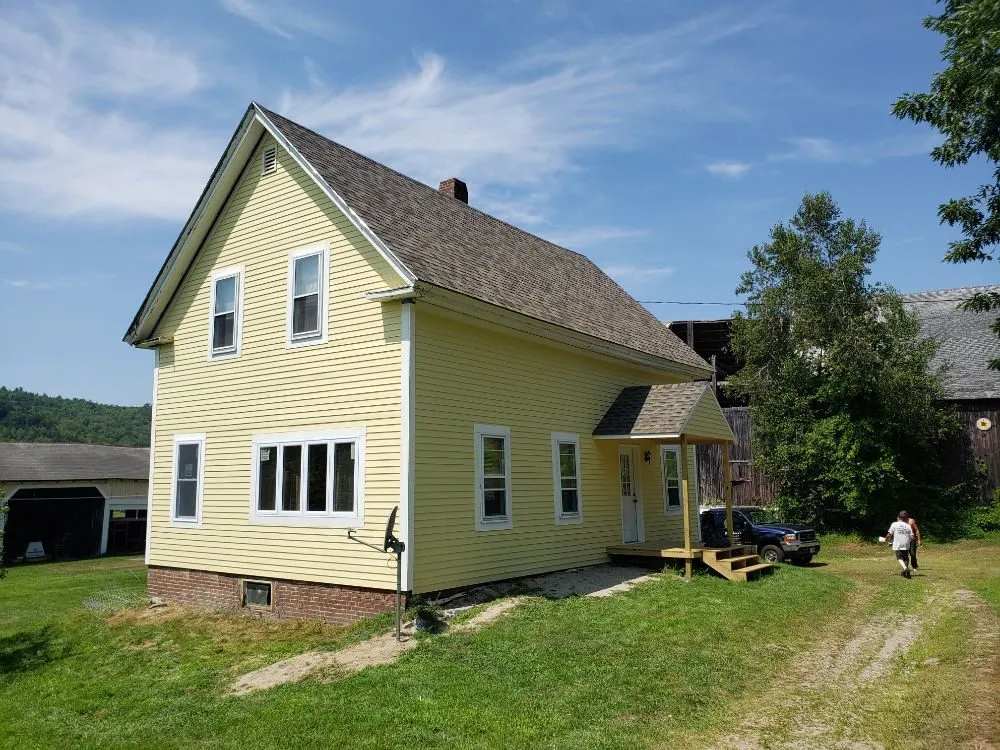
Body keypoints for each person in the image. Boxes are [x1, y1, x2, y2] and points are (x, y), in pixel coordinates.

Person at [886, 511, 914, 578]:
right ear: (905, 519)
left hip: (898, 543)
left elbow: (890, 534)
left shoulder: (894, 524)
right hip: (906, 544)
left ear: (898, 517)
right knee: (906, 558)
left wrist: (886, 539)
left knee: (899, 558)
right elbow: (912, 537)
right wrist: (908, 541)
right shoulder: (908, 526)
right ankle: (905, 572)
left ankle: (905, 569)